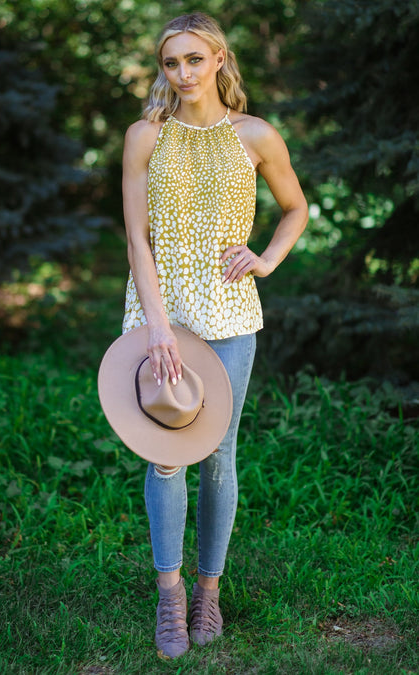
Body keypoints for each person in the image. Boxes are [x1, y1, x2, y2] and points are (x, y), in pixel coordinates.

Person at [121, 12, 308, 659]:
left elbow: (296, 207)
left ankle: (209, 589)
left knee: (218, 456)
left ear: (220, 60)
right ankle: (169, 594)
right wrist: (156, 327)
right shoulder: (146, 136)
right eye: (172, 62)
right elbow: (136, 239)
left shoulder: (255, 135)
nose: (183, 73)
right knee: (164, 452)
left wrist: (268, 258)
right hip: (160, 314)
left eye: (194, 60)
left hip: (230, 313)